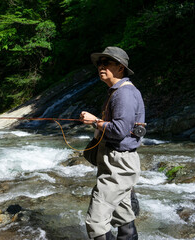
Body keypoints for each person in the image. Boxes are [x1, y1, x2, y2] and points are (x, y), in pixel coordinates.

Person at [79, 46, 145, 240]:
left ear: (120, 68)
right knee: (123, 215)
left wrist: (94, 121)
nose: (101, 66)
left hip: (119, 164)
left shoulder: (123, 93)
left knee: (96, 222)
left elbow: (119, 130)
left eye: (106, 63)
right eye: (99, 63)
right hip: (117, 162)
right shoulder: (116, 91)